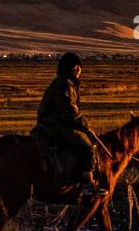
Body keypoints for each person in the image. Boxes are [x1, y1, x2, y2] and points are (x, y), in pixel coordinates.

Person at [31, 52, 106, 195]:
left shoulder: (66, 83)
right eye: (76, 67)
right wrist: (85, 124)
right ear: (69, 68)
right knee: (87, 145)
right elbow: (69, 112)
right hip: (54, 123)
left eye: (79, 68)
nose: (79, 71)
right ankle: (87, 184)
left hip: (54, 121)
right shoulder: (64, 84)